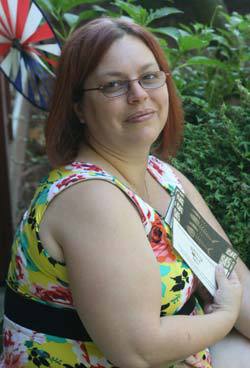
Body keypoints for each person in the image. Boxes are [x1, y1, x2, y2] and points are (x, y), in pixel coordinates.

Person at [1, 17, 249, 368]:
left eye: (149, 77)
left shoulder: (162, 177)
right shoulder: (90, 198)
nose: (139, 95)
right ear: (78, 108)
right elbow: (139, 352)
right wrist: (222, 318)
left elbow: (233, 278)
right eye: (113, 85)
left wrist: (229, 310)